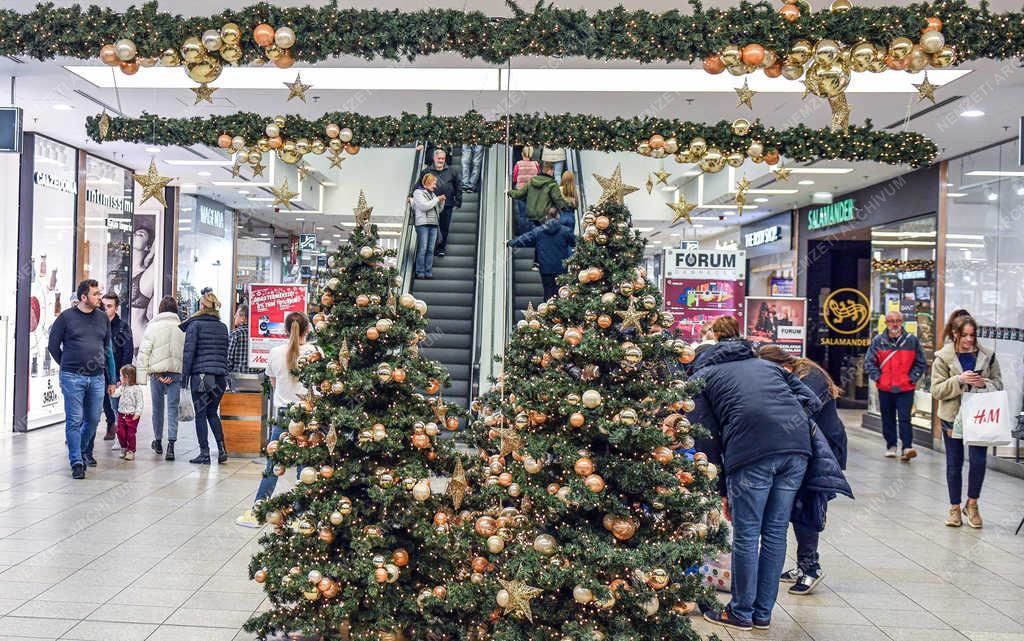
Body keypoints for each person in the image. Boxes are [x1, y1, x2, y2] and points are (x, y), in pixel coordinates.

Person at [688, 316, 821, 632]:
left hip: (751, 453)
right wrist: (784, 425)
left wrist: (720, 490)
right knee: (775, 531)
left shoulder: (703, 376)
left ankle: (741, 612)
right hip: (796, 450)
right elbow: (812, 401)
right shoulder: (768, 366)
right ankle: (762, 614)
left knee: (747, 532)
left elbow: (706, 438)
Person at [758, 345, 849, 595]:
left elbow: (801, 410)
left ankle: (811, 568)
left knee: (807, 508)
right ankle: (802, 565)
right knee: (798, 507)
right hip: (806, 448)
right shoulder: (798, 373)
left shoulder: (810, 376)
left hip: (823, 452)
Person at [236, 312, 318, 527]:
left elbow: (273, 383)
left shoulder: (275, 353)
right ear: (307, 329)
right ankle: (303, 516)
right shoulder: (315, 352)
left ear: (284, 329)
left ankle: (258, 509)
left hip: (283, 414)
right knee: (305, 464)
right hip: (308, 413)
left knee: (273, 463)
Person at [931, 315, 1002, 528]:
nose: (969, 340)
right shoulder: (943, 358)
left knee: (979, 461)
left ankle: (972, 505)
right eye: (965, 335)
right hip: (952, 416)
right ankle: (954, 508)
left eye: (972, 335)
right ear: (955, 334)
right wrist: (959, 380)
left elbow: (999, 384)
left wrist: (983, 382)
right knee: (955, 462)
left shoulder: (988, 356)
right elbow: (936, 390)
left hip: (980, 415)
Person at [47, 279, 116, 479]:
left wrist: (111, 378)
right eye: (95, 294)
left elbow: (107, 349)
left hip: (96, 378)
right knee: (74, 420)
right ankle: (76, 461)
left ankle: (83, 449)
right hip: (72, 377)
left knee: (93, 420)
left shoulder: (103, 318)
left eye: (99, 293)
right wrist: (66, 365)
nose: (99, 297)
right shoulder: (66, 318)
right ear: (83, 297)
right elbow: (53, 346)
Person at [864, 311, 927, 461]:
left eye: (898, 320)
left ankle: (907, 447)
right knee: (888, 418)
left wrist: (911, 379)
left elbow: (921, 362)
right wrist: (879, 378)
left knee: (905, 418)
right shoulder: (878, 341)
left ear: (902, 322)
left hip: (905, 387)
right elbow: (869, 362)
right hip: (885, 387)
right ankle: (891, 445)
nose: (895, 324)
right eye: (891, 321)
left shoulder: (912, 341)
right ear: (886, 323)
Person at [180, 292, 230, 464]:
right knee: (212, 413)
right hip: (220, 378)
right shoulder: (223, 327)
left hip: (202, 378)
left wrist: (184, 379)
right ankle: (222, 449)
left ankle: (205, 453)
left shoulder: (195, 325)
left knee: (201, 414)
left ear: (201, 306)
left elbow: (188, 354)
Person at [137, 296, 186, 460]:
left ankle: (158, 441)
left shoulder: (153, 327)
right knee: (172, 409)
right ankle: (171, 445)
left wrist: (141, 378)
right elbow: (185, 352)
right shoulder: (182, 327)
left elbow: (144, 352)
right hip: (175, 373)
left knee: (157, 409)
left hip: (157, 374)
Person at [507, 207, 576, 301]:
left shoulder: (538, 231)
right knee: (562, 292)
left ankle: (548, 312)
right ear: (558, 216)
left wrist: (510, 242)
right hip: (561, 268)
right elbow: (574, 243)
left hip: (546, 269)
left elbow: (525, 239)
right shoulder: (565, 231)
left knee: (548, 292)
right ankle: (561, 313)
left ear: (546, 216)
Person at [412, 149, 461, 257]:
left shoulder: (453, 171)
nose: (441, 160)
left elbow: (458, 186)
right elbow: (419, 185)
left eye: (443, 158)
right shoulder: (426, 171)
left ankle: (441, 248)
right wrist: (411, 195)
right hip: (430, 205)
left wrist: (458, 201)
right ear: (434, 159)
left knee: (444, 227)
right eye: (439, 158)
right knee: (431, 227)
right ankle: (431, 248)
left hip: (447, 204)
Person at [100, 293, 134, 443]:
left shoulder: (123, 327)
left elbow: (128, 351)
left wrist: (123, 373)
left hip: (117, 370)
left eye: (109, 306)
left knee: (116, 403)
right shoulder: (98, 324)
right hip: (99, 369)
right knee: (103, 401)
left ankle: (121, 434)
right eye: (104, 306)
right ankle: (110, 424)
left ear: (116, 308)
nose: (106, 309)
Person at [507, 162, 571, 230]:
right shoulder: (552, 184)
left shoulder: (532, 181)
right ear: (549, 171)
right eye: (553, 171)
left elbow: (519, 194)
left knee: (533, 236)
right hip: (544, 217)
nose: (553, 173)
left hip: (531, 216)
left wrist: (510, 192)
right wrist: (567, 207)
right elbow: (558, 199)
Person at [412, 173, 445, 280]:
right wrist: (436, 200)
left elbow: (438, 211)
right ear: (427, 183)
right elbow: (424, 207)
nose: (435, 186)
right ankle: (420, 272)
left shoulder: (433, 195)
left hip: (433, 224)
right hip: (422, 224)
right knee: (423, 248)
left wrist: (441, 202)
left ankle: (428, 272)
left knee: (430, 249)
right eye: (433, 183)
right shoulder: (418, 193)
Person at [111, 364, 144, 460]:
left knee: (130, 434)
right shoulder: (122, 387)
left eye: (122, 376)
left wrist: (137, 413)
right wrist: (113, 391)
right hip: (121, 414)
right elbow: (116, 395)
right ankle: (123, 447)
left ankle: (131, 451)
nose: (120, 378)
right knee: (120, 432)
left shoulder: (136, 389)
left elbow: (140, 402)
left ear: (128, 378)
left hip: (132, 415)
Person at [511, 146, 540, 234]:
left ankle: (522, 233)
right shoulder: (536, 164)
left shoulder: (518, 164)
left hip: (521, 192)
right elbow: (538, 177)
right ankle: (532, 233)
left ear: (522, 154)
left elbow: (515, 178)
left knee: (522, 214)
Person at [227, 305, 261, 375]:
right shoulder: (257, 334)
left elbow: (228, 360)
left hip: (237, 379)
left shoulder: (235, 334)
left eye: (236, 315)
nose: (234, 317)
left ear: (243, 318)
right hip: (256, 378)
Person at [558, 170, 577, 235]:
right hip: (571, 217)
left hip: (561, 216)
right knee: (570, 240)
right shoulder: (575, 191)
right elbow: (576, 206)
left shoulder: (559, 189)